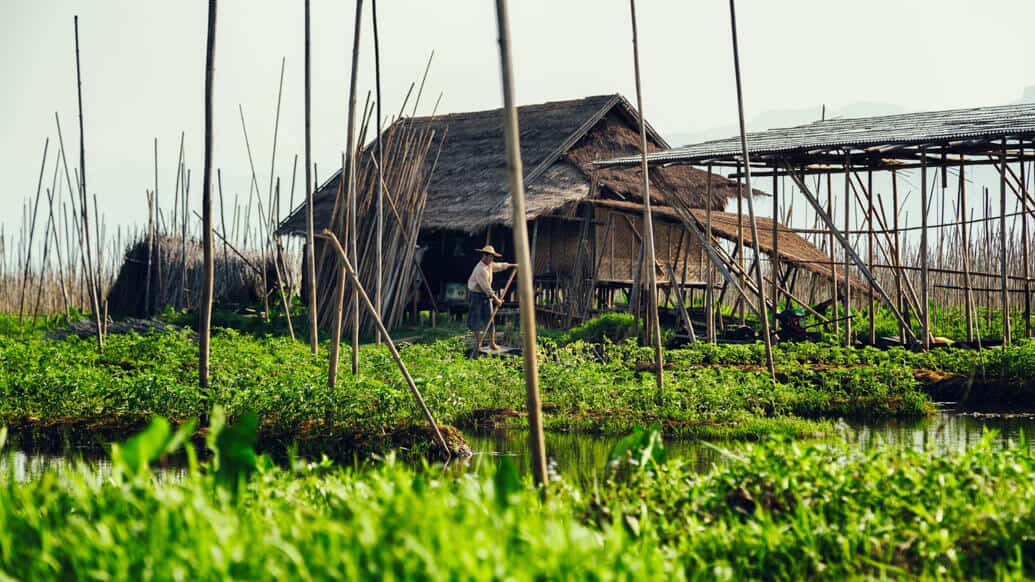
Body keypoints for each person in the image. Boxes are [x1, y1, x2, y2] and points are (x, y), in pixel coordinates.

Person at [466, 244, 516, 354]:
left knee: (490, 318)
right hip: (476, 295)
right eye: (490, 256)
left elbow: (499, 266)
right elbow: (487, 288)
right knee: (476, 320)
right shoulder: (480, 269)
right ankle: (478, 343)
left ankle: (492, 343)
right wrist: (496, 299)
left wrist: (512, 265)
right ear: (485, 256)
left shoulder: (490, 265)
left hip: (485, 295)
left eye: (493, 257)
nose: (492, 259)